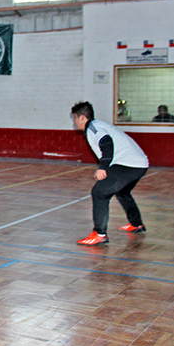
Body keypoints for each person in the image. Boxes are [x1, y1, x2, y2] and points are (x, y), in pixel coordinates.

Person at [72, 101, 149, 246]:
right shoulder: (99, 125)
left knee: (99, 192)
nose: (75, 122)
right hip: (140, 164)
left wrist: (103, 167)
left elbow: (107, 143)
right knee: (122, 191)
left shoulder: (93, 128)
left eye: (75, 118)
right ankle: (136, 224)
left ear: (81, 117)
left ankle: (99, 234)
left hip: (128, 164)